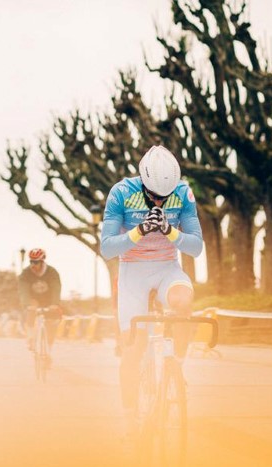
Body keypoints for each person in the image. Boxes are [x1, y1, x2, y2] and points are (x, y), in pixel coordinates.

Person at [100, 145, 203, 438]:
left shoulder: (182, 193)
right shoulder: (121, 193)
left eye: (165, 196)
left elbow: (196, 246)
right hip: (133, 274)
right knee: (133, 350)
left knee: (183, 301)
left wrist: (171, 231)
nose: (160, 200)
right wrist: (140, 231)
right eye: (155, 196)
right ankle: (130, 415)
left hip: (167, 268)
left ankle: (177, 368)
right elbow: (107, 248)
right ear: (143, 183)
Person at [18, 248, 63, 360]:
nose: (33, 265)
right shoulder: (25, 273)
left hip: (49, 302)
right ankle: (30, 337)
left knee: (52, 324)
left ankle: (48, 351)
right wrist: (27, 303)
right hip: (33, 301)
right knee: (30, 312)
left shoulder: (52, 272)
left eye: (36, 262)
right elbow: (23, 290)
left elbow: (56, 288)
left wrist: (55, 303)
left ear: (42, 261)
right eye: (31, 262)